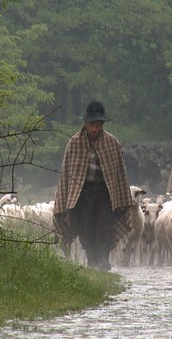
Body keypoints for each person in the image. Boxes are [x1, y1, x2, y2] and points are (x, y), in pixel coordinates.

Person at [53, 101, 134, 270]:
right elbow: (67, 174)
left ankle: (103, 258)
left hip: (106, 191)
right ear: (86, 123)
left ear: (102, 124)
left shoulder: (112, 143)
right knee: (86, 226)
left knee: (104, 225)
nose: (94, 129)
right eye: (91, 125)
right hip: (83, 192)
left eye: (98, 125)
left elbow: (120, 174)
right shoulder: (74, 143)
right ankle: (91, 259)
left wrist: (120, 198)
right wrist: (65, 199)